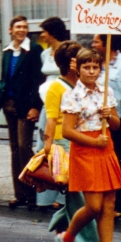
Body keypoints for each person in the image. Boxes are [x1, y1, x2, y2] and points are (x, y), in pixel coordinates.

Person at [57, 48, 121, 242]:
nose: (91, 71)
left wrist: (110, 116)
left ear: (100, 69)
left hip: (105, 148)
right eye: (86, 67)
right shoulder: (71, 95)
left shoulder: (106, 92)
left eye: (95, 67)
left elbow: (116, 125)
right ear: (78, 69)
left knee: (109, 204)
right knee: (94, 206)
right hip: (86, 150)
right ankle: (66, 239)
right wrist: (93, 142)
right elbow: (67, 131)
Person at [43, 41, 100, 242]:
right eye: (79, 60)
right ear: (69, 64)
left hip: (81, 142)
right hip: (63, 144)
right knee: (79, 196)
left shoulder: (81, 86)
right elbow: (51, 120)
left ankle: (61, 227)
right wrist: (48, 148)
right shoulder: (56, 88)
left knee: (76, 195)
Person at [0, 15, 43, 208]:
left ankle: (32, 191)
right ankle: (20, 193)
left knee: (24, 146)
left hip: (25, 105)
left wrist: (35, 106)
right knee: (14, 148)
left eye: (24, 27)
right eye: (18, 27)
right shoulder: (7, 52)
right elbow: (4, 77)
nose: (21, 30)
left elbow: (37, 80)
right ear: (10, 30)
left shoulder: (34, 50)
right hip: (9, 103)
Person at [91, 34, 121, 217]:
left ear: (107, 44)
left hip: (115, 122)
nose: (93, 44)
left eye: (96, 41)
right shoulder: (96, 64)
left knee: (119, 162)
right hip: (97, 122)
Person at [36, 17, 68, 209]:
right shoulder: (45, 54)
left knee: (62, 147)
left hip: (64, 102)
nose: (41, 35)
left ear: (53, 32)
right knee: (44, 145)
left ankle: (63, 197)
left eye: (44, 31)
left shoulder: (68, 50)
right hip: (46, 104)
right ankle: (46, 195)